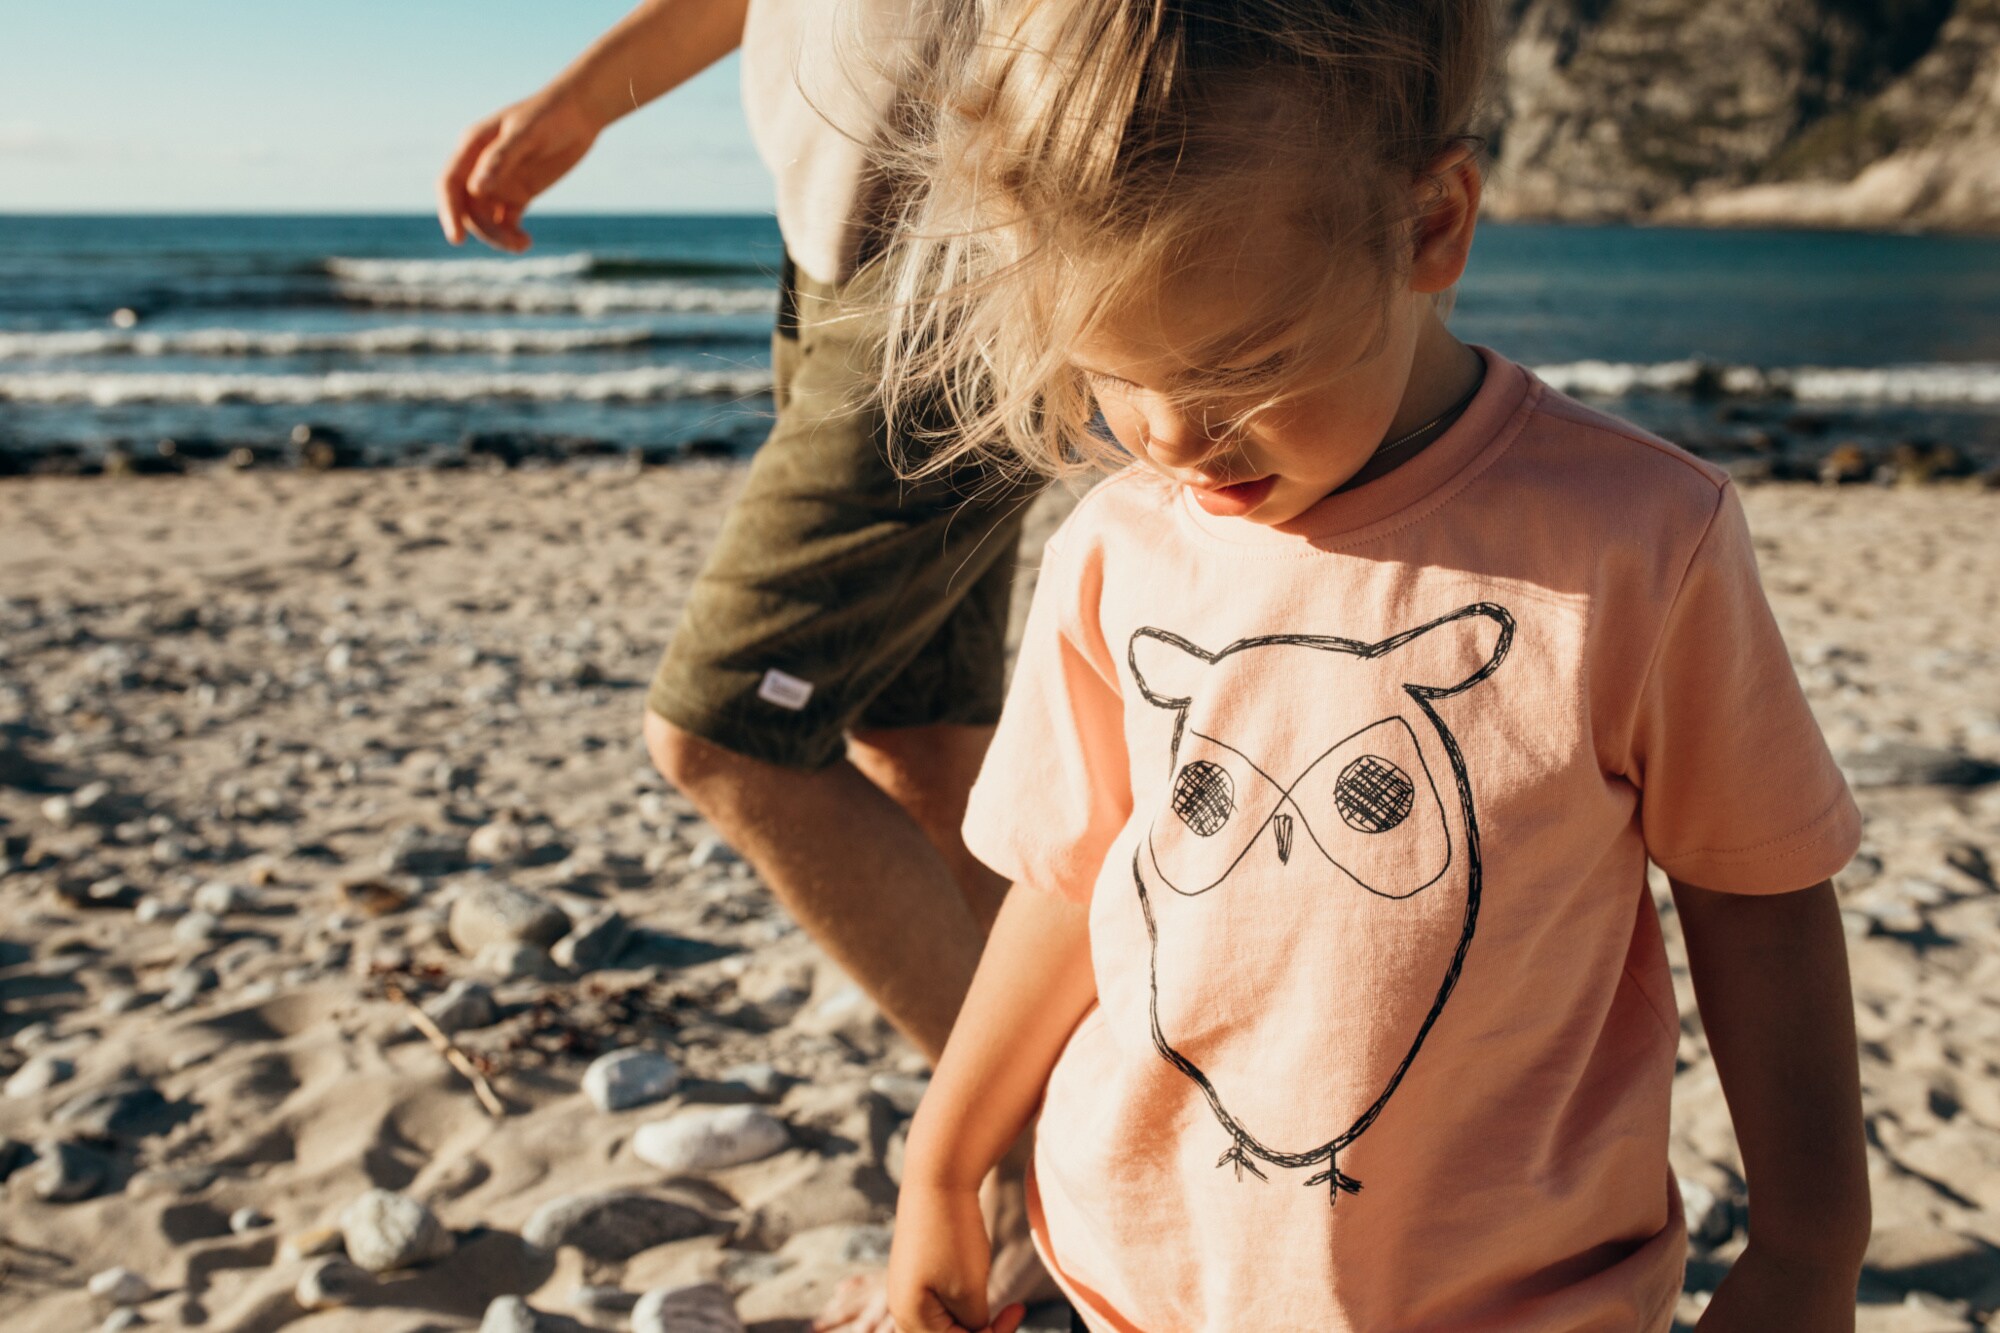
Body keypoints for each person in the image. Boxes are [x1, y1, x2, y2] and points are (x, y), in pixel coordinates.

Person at [870, 2, 1872, 1330]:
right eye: (1114, 372)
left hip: (1519, 1293)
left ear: (1429, 227)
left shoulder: (1637, 540)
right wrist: (943, 1160)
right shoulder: (1119, 547)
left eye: (1243, 365)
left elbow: (1761, 895)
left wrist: (1811, 1249)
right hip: (1148, 1274)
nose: (1174, 434)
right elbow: (1079, 883)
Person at [435, 3, 1053, 1329]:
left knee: (723, 735)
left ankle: (1040, 1157)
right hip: (839, 259)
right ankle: (1027, 1198)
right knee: (921, 740)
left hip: (962, 256)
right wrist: (587, 96)